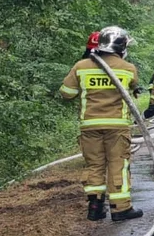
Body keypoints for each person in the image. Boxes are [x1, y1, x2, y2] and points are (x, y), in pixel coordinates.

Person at [59, 26, 148, 222]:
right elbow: (133, 88)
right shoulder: (128, 68)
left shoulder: (81, 66)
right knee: (118, 164)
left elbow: (67, 93)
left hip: (89, 126)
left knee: (95, 165)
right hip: (117, 126)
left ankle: (95, 207)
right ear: (122, 46)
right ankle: (121, 208)